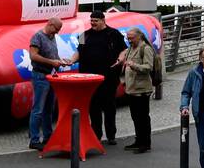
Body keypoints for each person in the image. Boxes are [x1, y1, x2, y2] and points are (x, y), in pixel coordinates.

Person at [77, 10, 126, 145]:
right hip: (90, 78)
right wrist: (70, 60)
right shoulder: (84, 35)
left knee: (109, 106)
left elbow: (124, 49)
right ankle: (96, 134)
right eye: (91, 21)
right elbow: (78, 52)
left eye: (95, 21)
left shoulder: (114, 34)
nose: (93, 23)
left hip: (108, 77)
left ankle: (111, 135)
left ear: (103, 20)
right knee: (94, 107)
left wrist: (120, 59)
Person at [28, 17, 66, 151]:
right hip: (40, 75)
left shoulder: (51, 37)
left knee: (48, 109)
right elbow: (33, 56)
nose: (57, 32)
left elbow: (51, 56)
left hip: (50, 75)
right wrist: (52, 62)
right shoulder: (37, 37)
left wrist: (59, 61)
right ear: (50, 24)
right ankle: (34, 139)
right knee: (38, 109)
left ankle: (48, 136)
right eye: (56, 29)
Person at [120, 27, 156, 152]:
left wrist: (133, 65)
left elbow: (148, 67)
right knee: (135, 116)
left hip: (142, 89)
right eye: (128, 38)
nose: (129, 40)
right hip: (132, 88)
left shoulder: (145, 48)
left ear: (139, 36)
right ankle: (139, 140)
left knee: (143, 117)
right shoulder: (131, 48)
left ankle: (145, 143)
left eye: (131, 38)